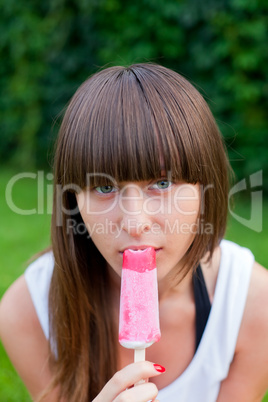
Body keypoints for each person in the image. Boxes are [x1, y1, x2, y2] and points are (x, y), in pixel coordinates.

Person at [0, 63, 268, 402]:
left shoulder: (253, 307)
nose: (135, 222)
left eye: (162, 183)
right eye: (103, 187)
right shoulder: (29, 311)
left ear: (205, 188)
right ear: (73, 200)